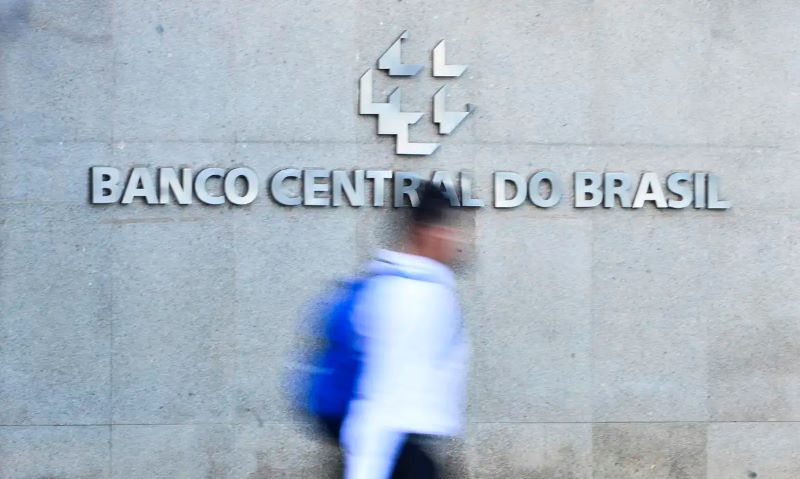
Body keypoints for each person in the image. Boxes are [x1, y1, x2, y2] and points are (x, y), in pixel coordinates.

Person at [339, 181, 469, 479]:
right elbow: (382, 394)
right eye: (449, 229)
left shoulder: (427, 286)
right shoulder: (408, 293)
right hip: (393, 452)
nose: (456, 240)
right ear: (427, 232)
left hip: (408, 448)